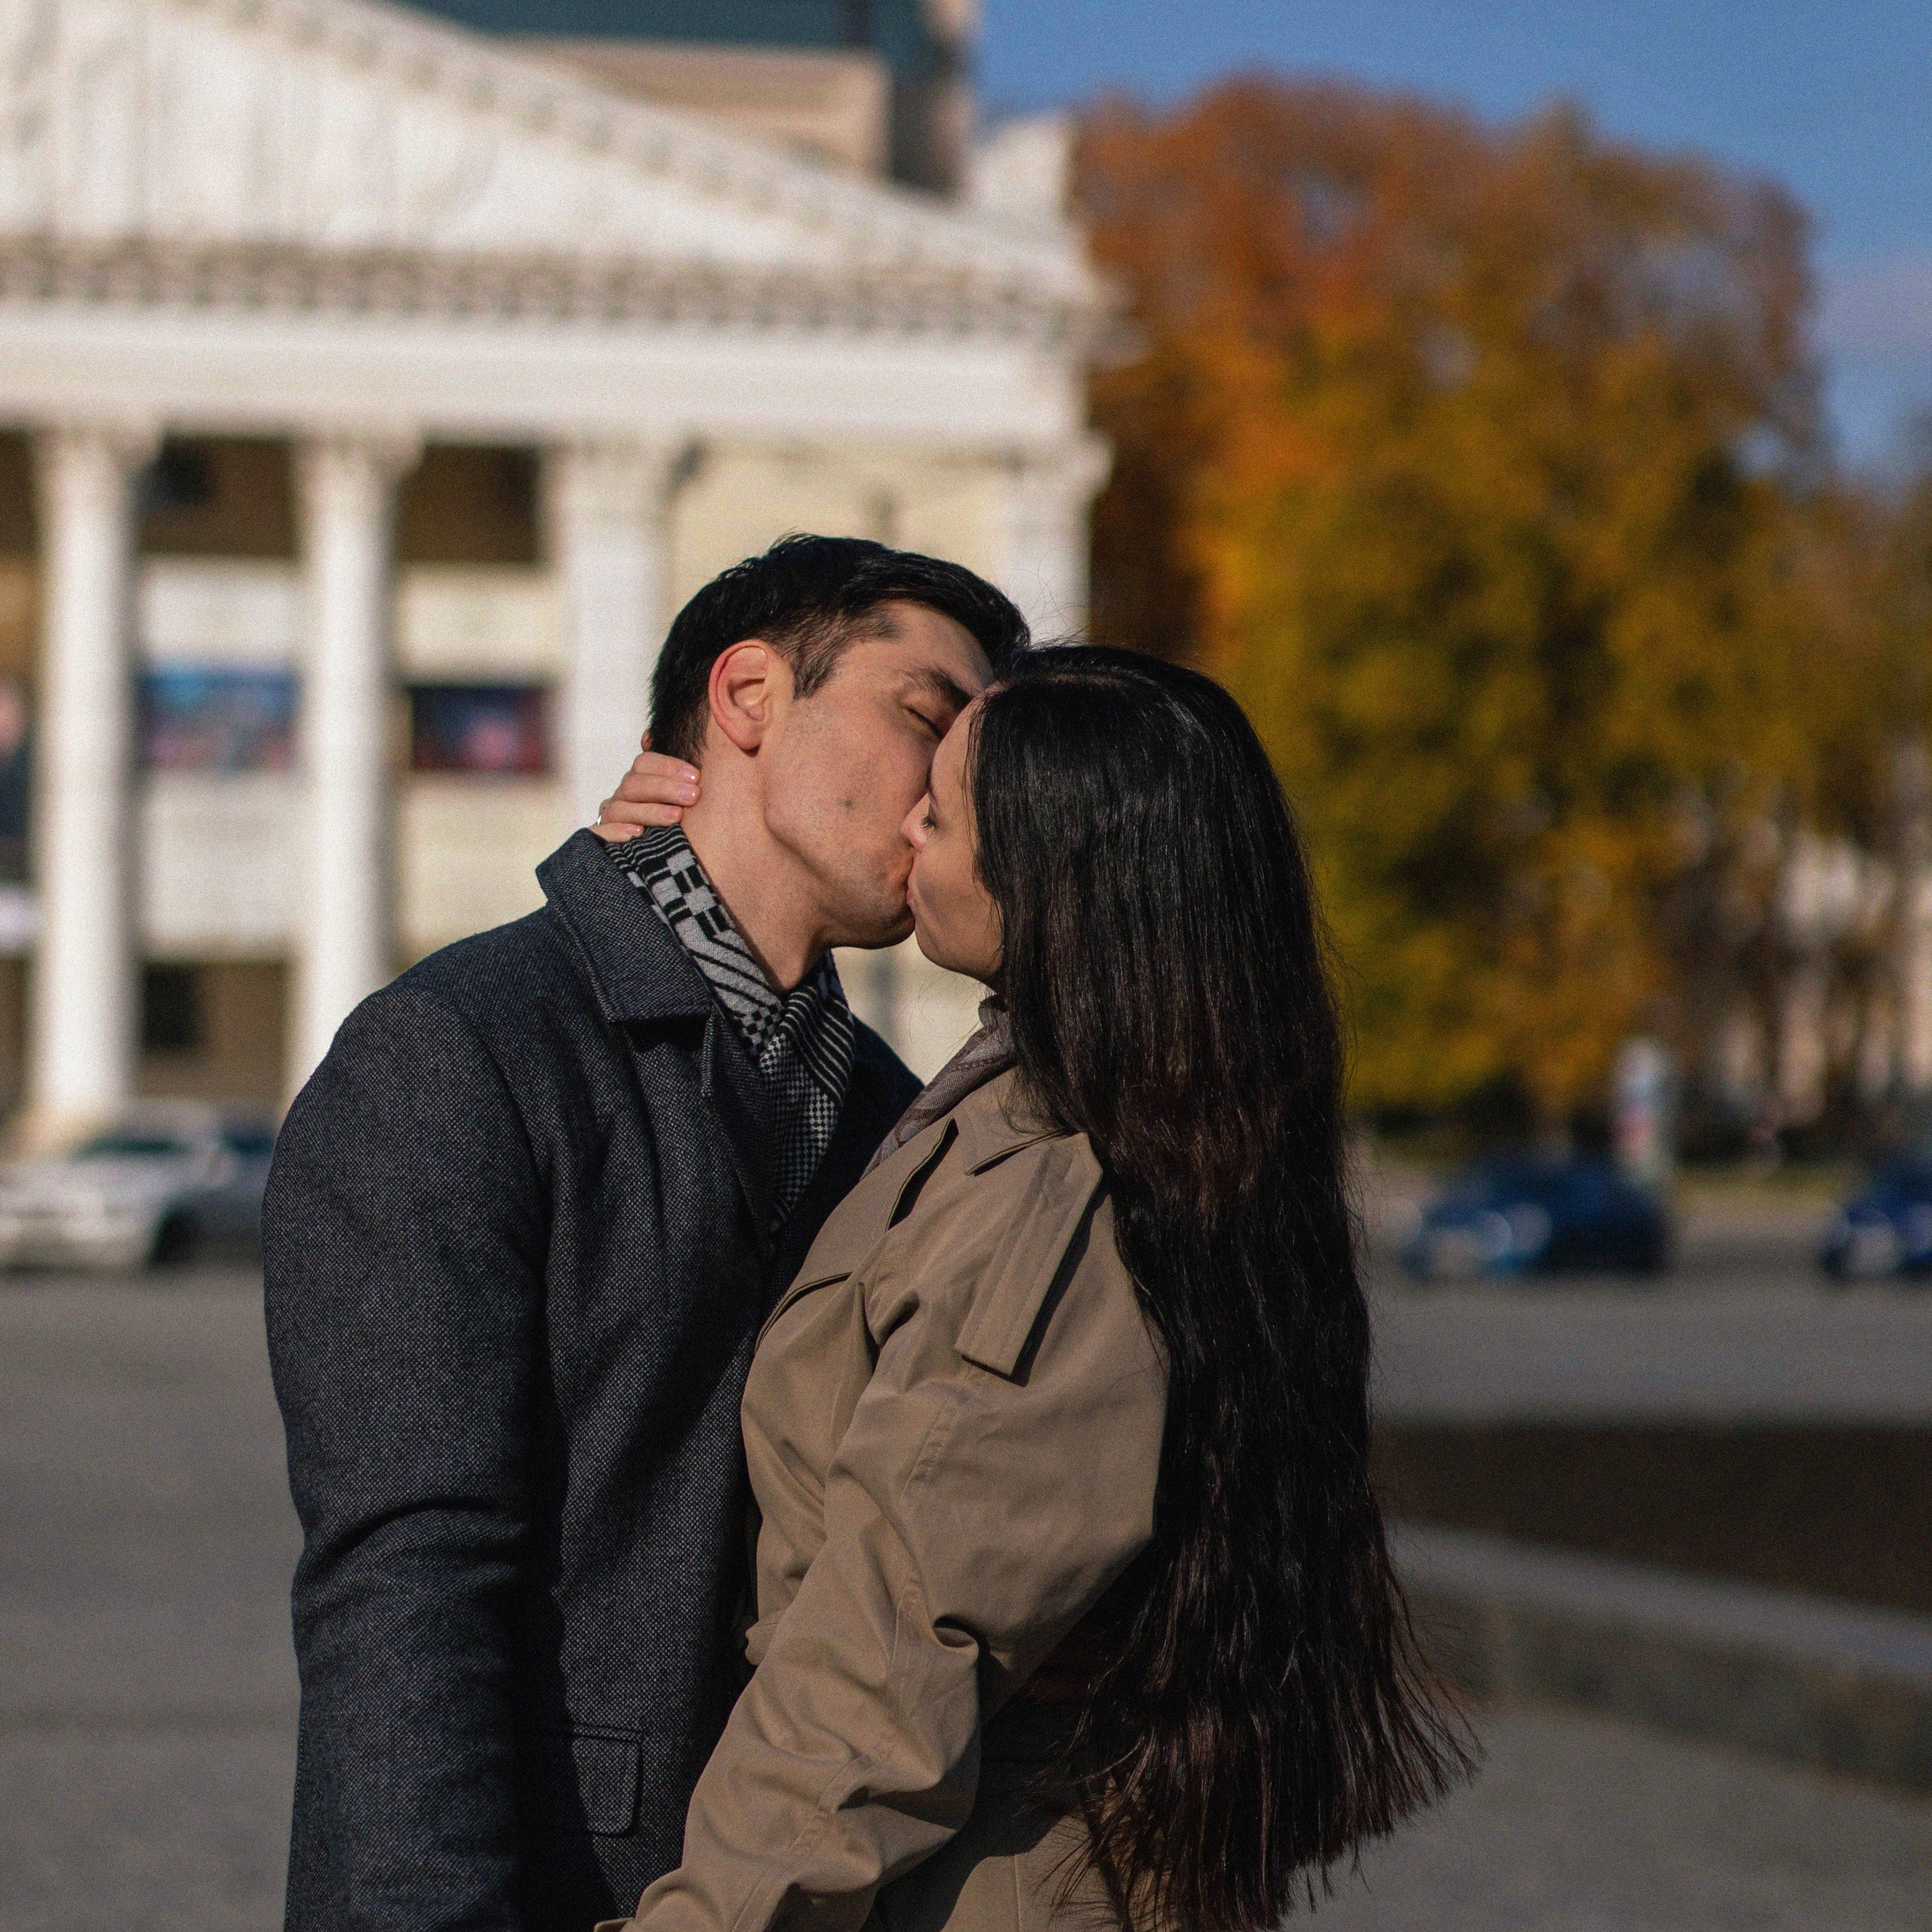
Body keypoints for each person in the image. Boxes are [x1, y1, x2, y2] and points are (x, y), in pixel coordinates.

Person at [594, 648, 1469, 1932]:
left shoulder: (1064, 1189)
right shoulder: (1111, 1117)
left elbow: (889, 1659)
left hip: (969, 1881)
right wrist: (675, 898)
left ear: (1055, 884)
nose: (905, 825)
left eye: (939, 813)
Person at [263, 536, 1029, 1932]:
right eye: (927, 719)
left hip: (823, 1881)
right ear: (746, 699)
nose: (954, 788)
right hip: (561, 1882)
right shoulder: (458, 1053)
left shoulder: (895, 1112)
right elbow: (406, 1591)